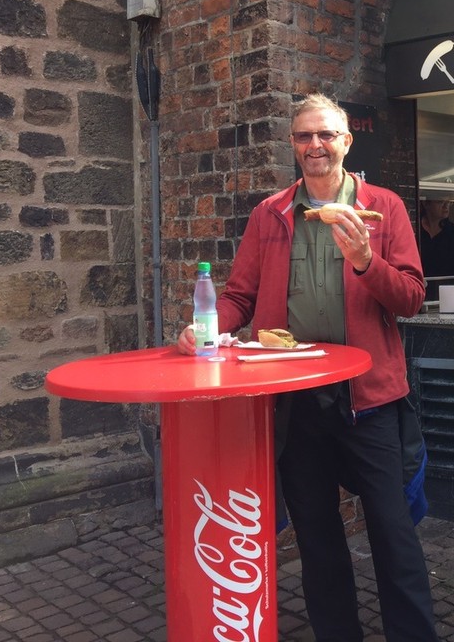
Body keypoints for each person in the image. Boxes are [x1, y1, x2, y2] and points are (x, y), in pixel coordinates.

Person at [176, 93, 439, 642]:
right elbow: (239, 298)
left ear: (346, 141)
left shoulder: (383, 208)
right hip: (295, 401)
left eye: (325, 135)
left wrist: (366, 260)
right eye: (303, 136)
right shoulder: (270, 213)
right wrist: (205, 325)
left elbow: (412, 297)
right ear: (293, 145)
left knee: (394, 535)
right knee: (318, 540)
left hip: (368, 399)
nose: (314, 145)